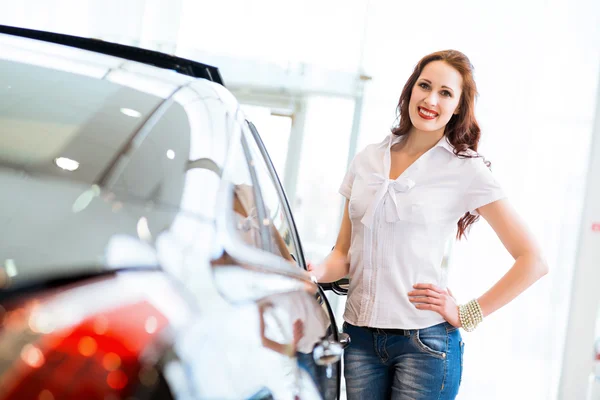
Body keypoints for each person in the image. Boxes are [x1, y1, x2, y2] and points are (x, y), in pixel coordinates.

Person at [308, 50, 548, 400]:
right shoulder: (368, 158)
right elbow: (342, 255)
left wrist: (467, 313)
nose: (431, 99)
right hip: (358, 339)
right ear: (410, 90)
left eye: (446, 93)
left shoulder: (466, 169)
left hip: (425, 344)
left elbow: (533, 260)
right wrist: (310, 273)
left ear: (458, 107)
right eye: (425, 85)